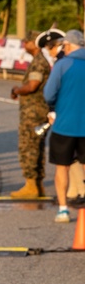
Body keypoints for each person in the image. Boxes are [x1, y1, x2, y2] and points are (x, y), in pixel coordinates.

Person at [43, 29, 85, 223]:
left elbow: (48, 94)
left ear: (67, 46)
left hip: (65, 125)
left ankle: (63, 209)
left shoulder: (62, 65)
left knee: (63, 167)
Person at [9, 30, 53, 198]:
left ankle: (31, 185)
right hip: (37, 111)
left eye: (26, 42)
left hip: (33, 113)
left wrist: (18, 90)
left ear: (34, 43)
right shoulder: (39, 61)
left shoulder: (38, 63)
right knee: (37, 147)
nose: (24, 45)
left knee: (29, 147)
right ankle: (37, 185)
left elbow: (33, 85)